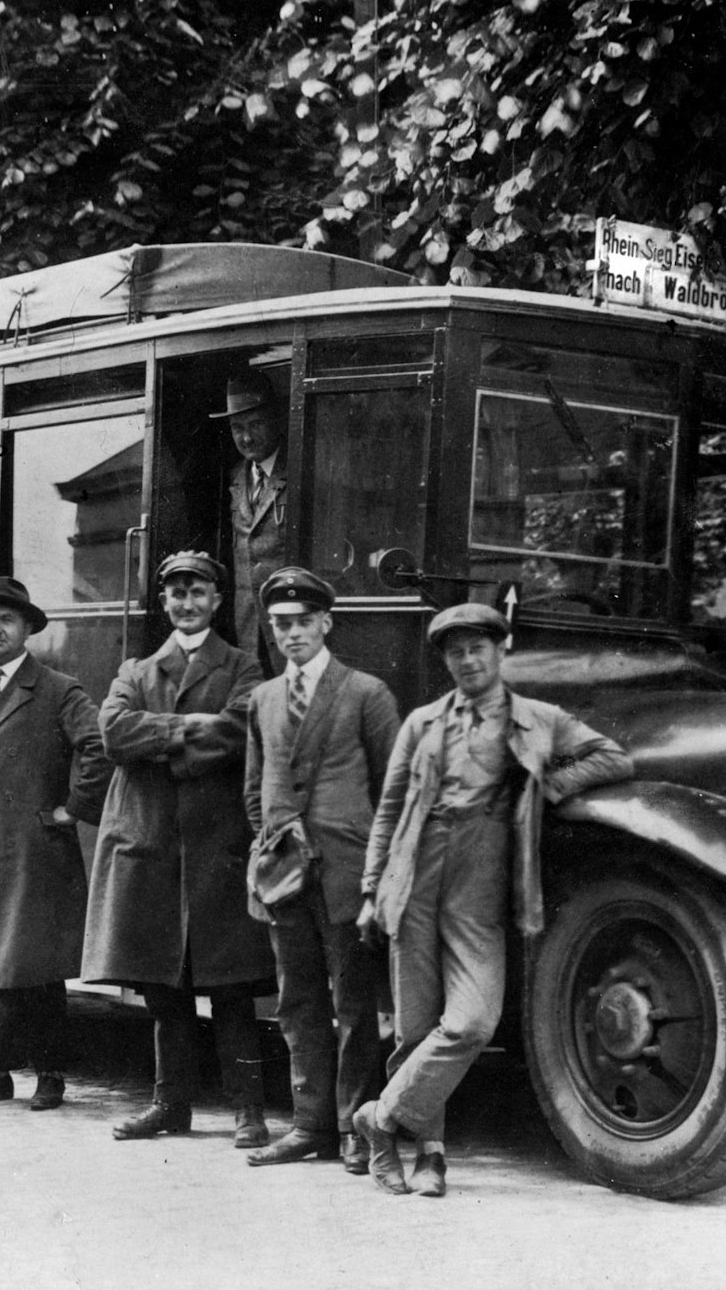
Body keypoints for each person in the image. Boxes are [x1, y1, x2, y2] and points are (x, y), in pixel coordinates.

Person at [354, 603, 633, 1197]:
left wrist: (548, 786)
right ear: (446, 661)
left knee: (473, 1021)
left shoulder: (539, 719)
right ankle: (428, 1156)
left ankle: (378, 1119)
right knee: (415, 1029)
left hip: (482, 877)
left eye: (478, 647)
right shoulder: (421, 723)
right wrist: (372, 888)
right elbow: (389, 809)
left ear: (501, 652)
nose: (468, 659)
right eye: (456, 651)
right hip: (414, 874)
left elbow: (613, 757)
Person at [85, 552, 276, 1147]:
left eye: (197, 592)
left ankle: (249, 1111)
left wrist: (161, 737)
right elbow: (114, 733)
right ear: (164, 602)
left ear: (217, 600)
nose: (186, 603)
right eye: (176, 594)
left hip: (218, 846)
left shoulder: (244, 668)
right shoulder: (137, 669)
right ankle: (171, 1105)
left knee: (232, 988)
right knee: (163, 991)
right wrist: (190, 730)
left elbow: (241, 730)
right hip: (155, 847)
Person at [0, 577, 112, 1111]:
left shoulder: (57, 687)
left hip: (33, 849)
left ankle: (50, 1075)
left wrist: (72, 810)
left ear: (27, 628)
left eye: (6, 620)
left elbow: (98, 747)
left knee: (37, 969)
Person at [243, 567, 399, 1173]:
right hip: (286, 874)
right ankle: (310, 1125)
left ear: (326, 623)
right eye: (281, 624)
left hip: (346, 871)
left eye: (304, 622)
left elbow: (392, 786)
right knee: (296, 1000)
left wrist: (375, 870)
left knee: (355, 1002)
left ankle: (354, 1126)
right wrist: (271, 844)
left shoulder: (366, 693)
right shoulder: (262, 699)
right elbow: (255, 791)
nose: (292, 634)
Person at [217, 367, 288, 668]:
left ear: (276, 420)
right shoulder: (234, 478)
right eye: (237, 427)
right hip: (248, 633)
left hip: (291, 629)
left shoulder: (299, 468)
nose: (245, 437)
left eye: (256, 424)